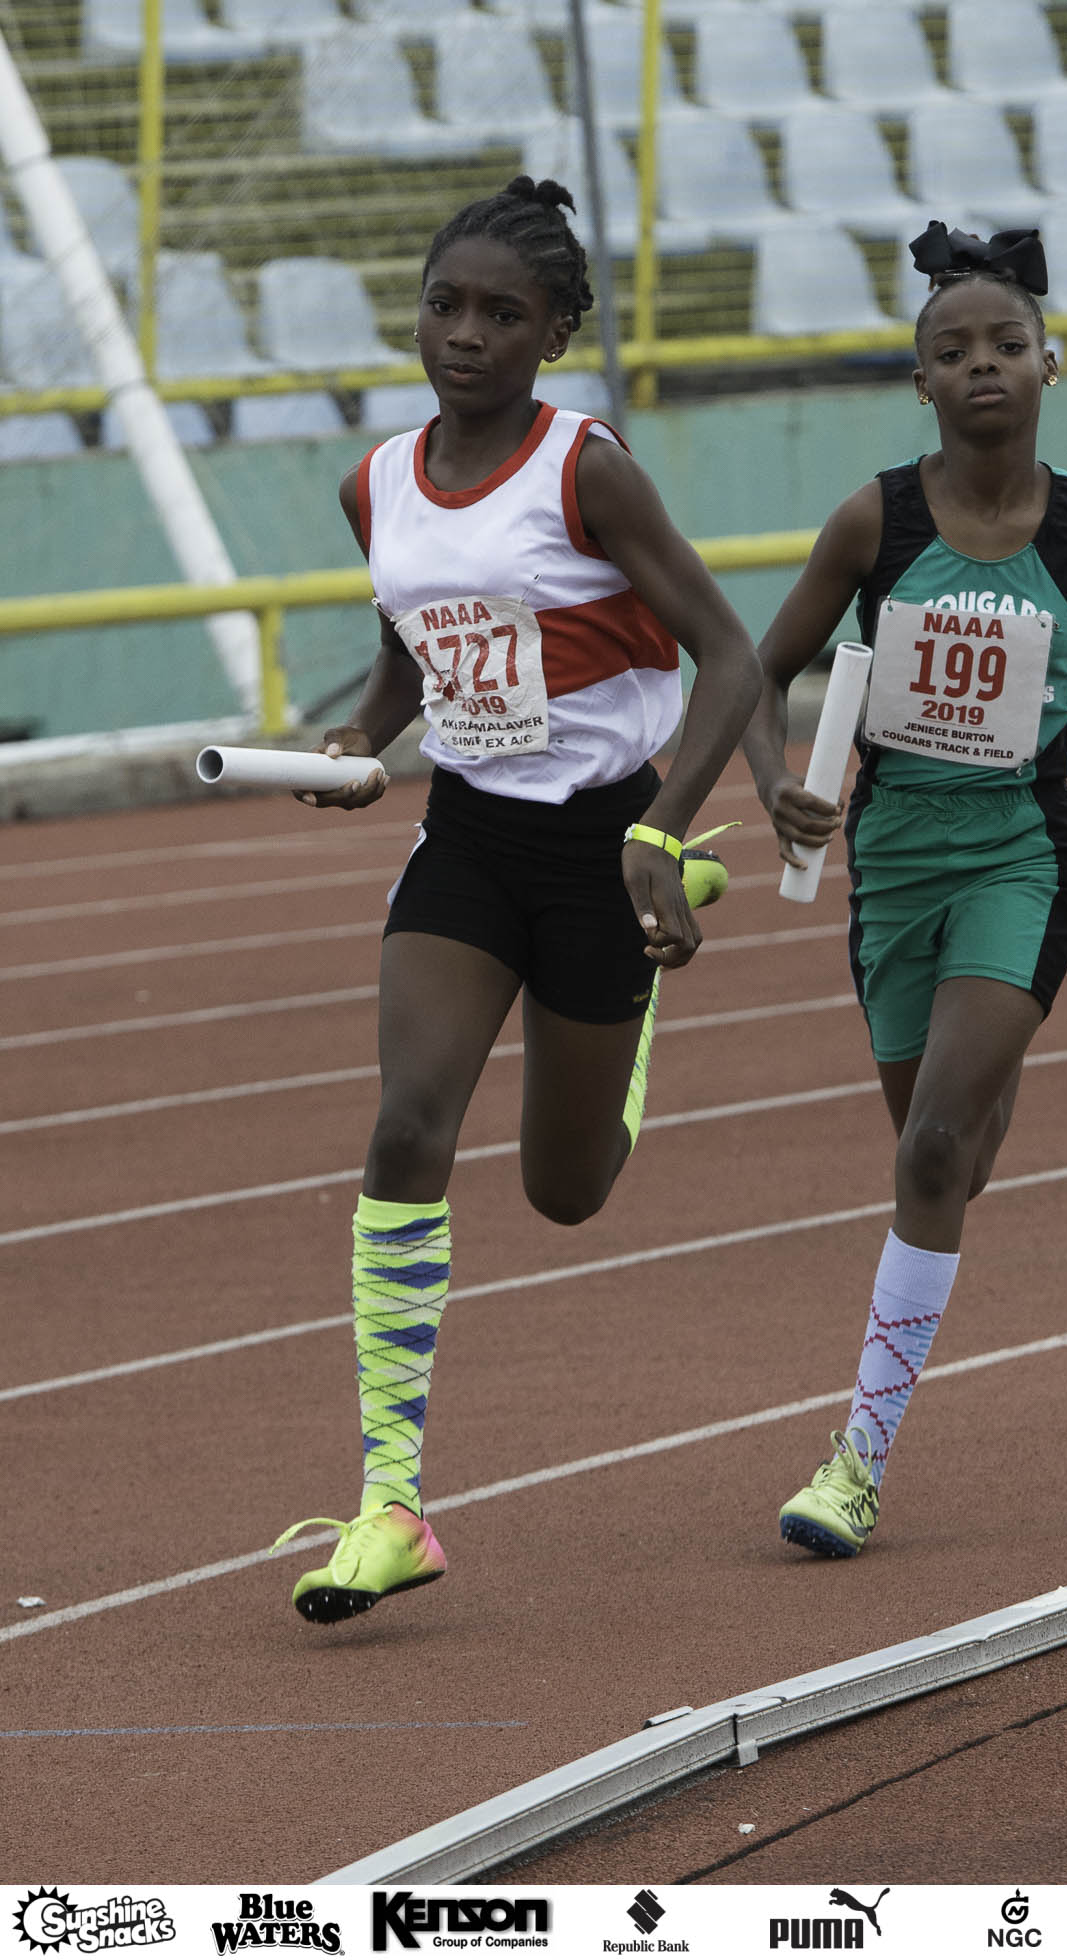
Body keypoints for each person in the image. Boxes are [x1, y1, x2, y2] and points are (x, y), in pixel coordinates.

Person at [271, 177, 761, 1621]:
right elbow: (413, 638)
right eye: (445, 307)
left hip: (606, 840)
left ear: (554, 334)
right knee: (406, 1123)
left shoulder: (586, 470)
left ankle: (638, 992)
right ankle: (390, 1502)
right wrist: (364, 735)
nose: (465, 335)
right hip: (468, 840)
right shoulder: (375, 482)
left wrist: (660, 830)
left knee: (565, 1191)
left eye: (502, 314)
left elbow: (731, 656)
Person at [743, 222, 1067, 1559]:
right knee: (955, 1163)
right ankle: (1004, 1001)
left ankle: (855, 1462)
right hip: (892, 863)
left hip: (1017, 851)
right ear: (919, 379)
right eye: (954, 350)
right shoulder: (875, 520)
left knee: (925, 1153)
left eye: (1007, 345)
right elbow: (760, 669)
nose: (983, 365)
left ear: (1049, 365)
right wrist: (775, 781)